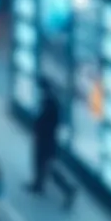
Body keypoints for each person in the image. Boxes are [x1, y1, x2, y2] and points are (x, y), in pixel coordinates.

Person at [26, 80, 76, 209]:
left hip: (46, 141)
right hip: (45, 140)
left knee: (48, 167)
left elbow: (48, 122)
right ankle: (38, 185)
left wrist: (40, 129)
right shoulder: (49, 102)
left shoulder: (51, 104)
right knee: (41, 165)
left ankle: (68, 189)